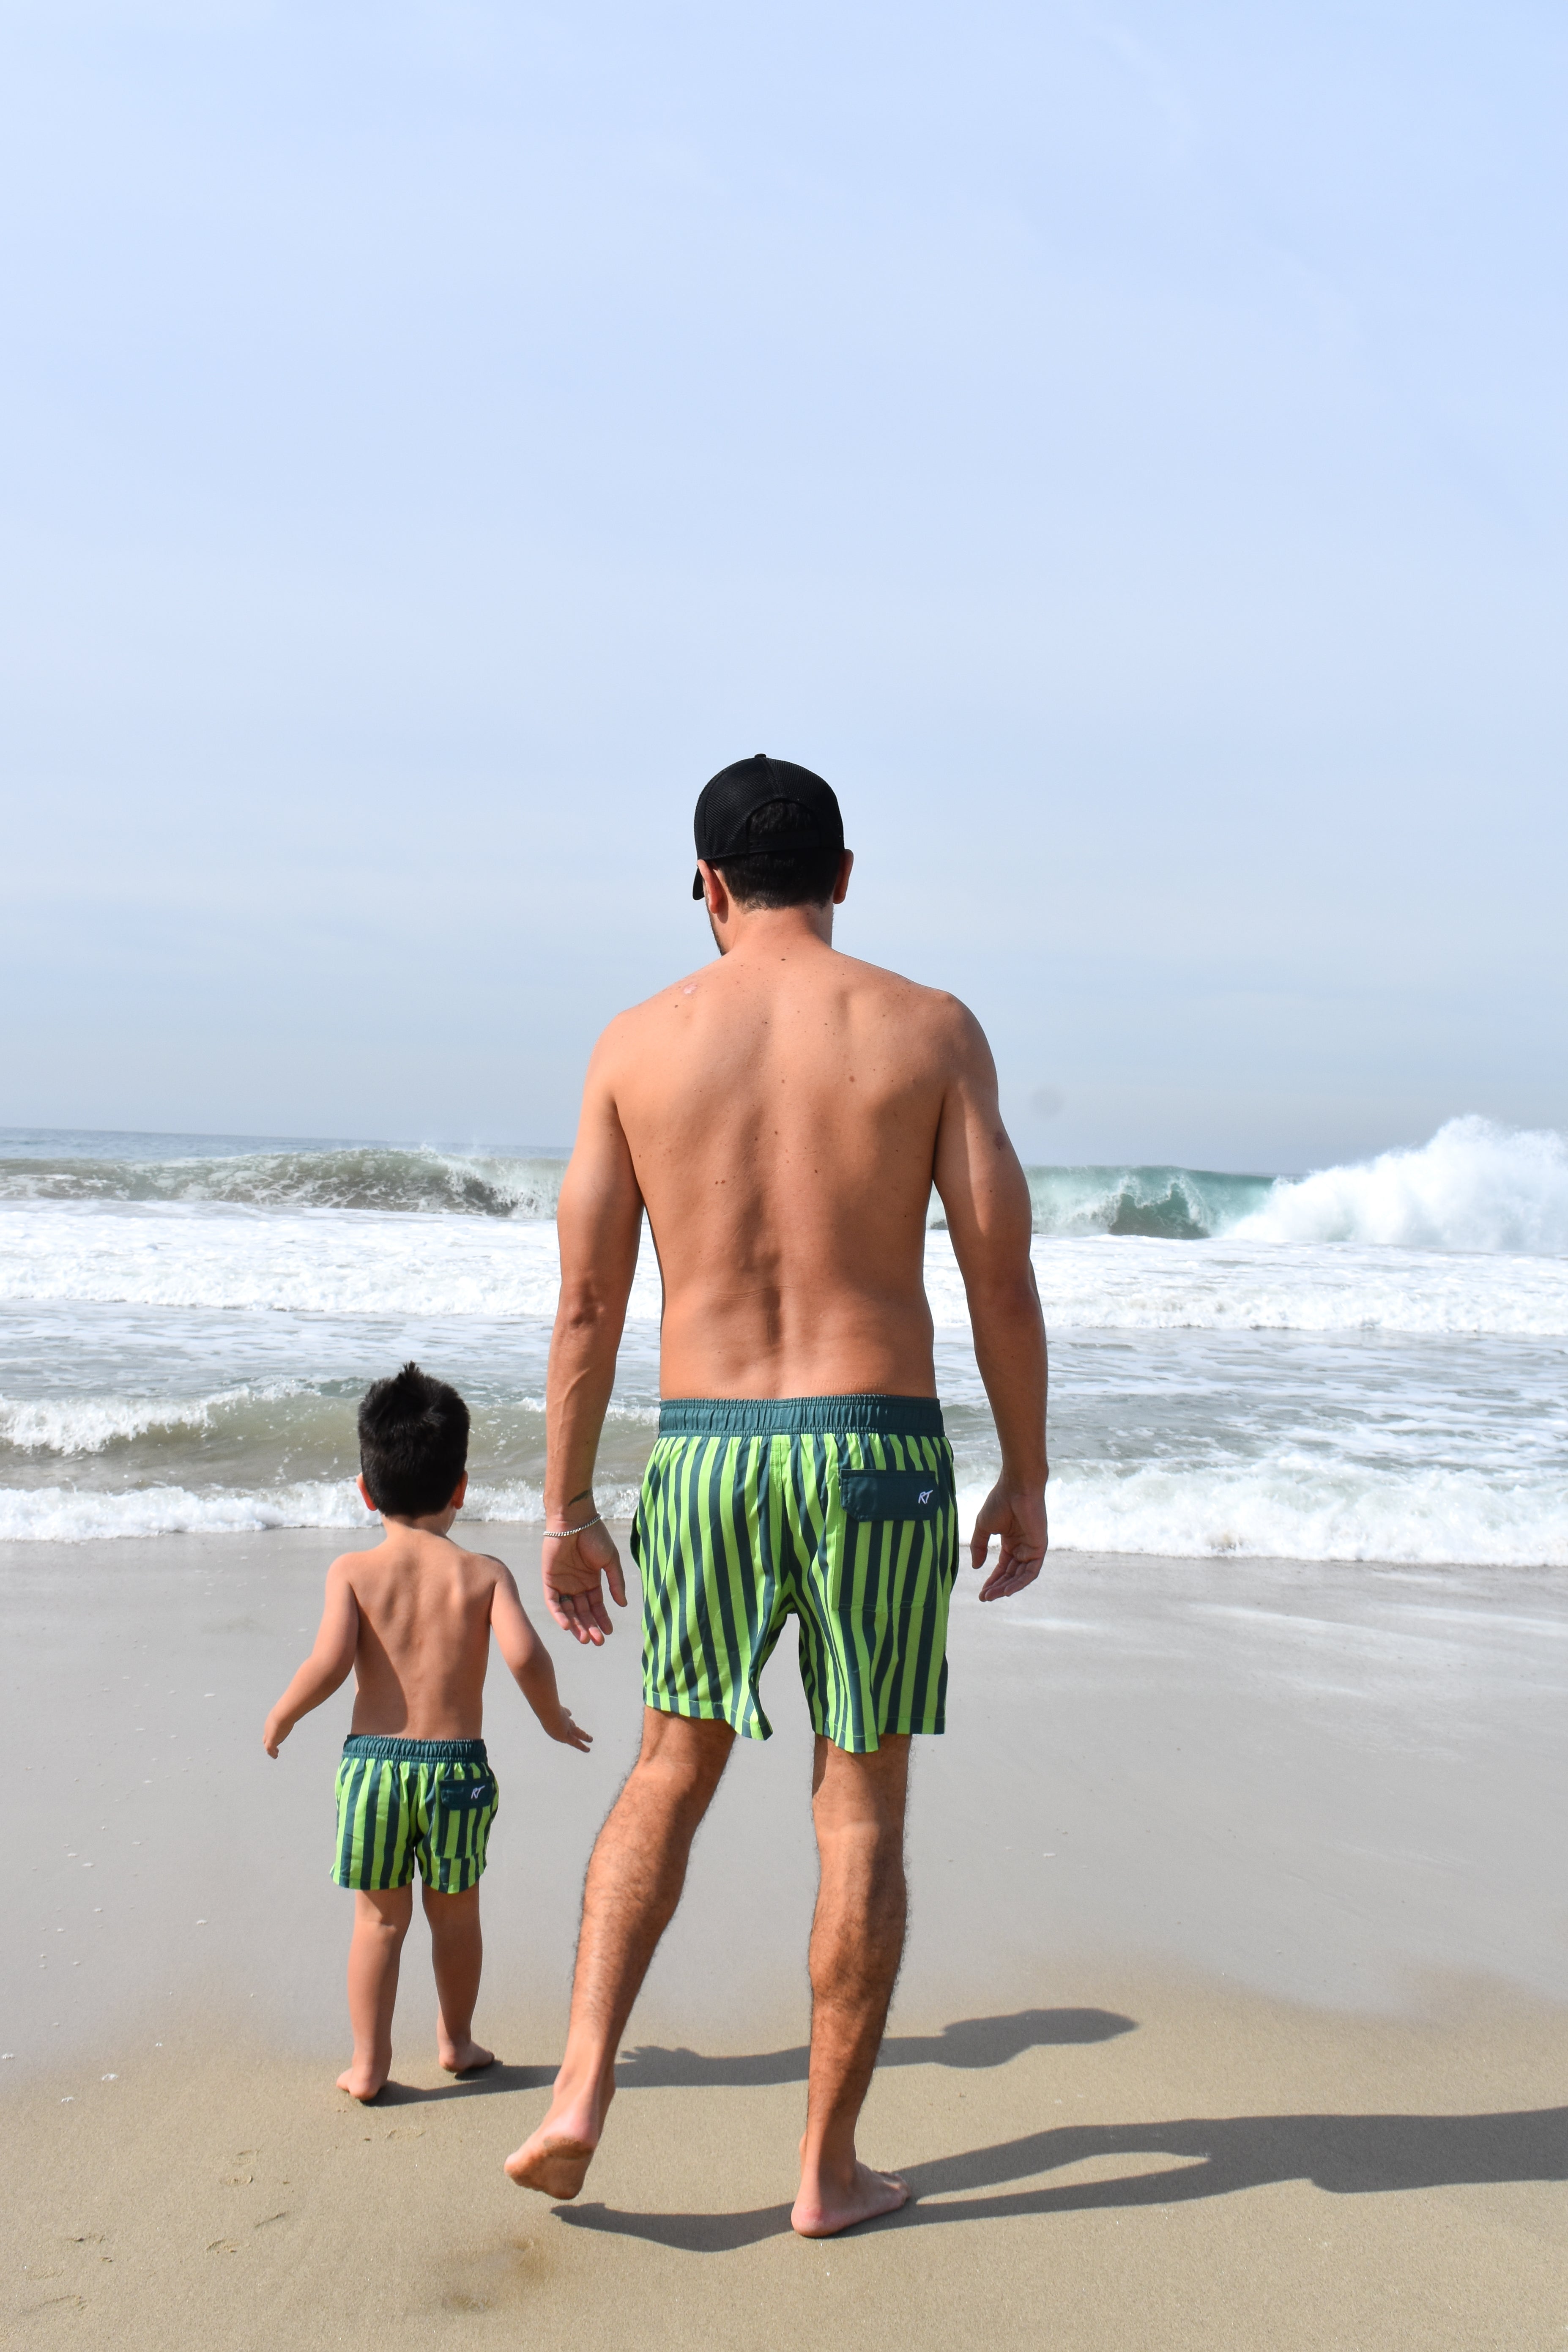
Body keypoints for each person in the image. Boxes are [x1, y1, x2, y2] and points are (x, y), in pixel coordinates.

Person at [505, 755, 1048, 2233]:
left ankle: (578, 2091)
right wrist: (1027, 1471)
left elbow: (584, 1307)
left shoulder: (637, 1045)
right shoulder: (930, 1029)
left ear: (709, 886)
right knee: (857, 1801)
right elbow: (999, 1273)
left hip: (712, 1448)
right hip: (876, 1449)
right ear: (849, 875)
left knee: (669, 1767)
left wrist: (564, 1511)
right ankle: (825, 2171)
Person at [263, 1361, 591, 2101]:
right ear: (461, 1488)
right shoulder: (483, 1573)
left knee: (379, 1922)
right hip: (458, 1770)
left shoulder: (352, 1571)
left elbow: (329, 1661)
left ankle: (369, 2064)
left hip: (375, 1771)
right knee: (456, 1913)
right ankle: (456, 2040)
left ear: (365, 1491)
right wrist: (550, 1718)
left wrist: (285, 1711)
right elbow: (525, 1655)